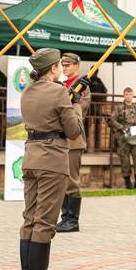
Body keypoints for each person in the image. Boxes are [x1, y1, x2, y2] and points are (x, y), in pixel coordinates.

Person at [19, 48, 84, 270]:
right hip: (52, 159)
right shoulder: (58, 91)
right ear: (54, 68)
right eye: (59, 66)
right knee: (45, 220)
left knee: (30, 218)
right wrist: (75, 103)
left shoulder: (27, 90)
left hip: (32, 156)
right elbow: (74, 130)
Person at [56, 53, 91, 233]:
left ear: (77, 66)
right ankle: (65, 217)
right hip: (60, 138)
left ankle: (73, 219)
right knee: (62, 179)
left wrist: (73, 96)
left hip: (74, 139)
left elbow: (81, 109)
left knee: (71, 180)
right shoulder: (61, 85)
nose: (65, 68)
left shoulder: (81, 86)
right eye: (63, 65)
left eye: (68, 65)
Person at [110, 87, 136, 189]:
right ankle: (127, 182)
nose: (128, 96)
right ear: (124, 95)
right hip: (123, 137)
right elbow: (112, 120)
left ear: (133, 96)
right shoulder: (119, 108)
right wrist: (122, 127)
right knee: (125, 160)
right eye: (126, 94)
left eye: (130, 94)